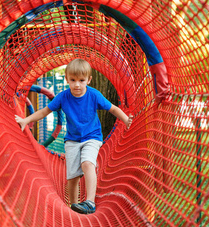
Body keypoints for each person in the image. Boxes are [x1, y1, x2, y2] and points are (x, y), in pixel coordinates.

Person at [15, 58, 132, 214]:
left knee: (87, 164)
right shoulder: (63, 97)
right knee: (73, 176)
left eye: (81, 80)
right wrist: (25, 120)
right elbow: (44, 111)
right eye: (73, 80)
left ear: (89, 80)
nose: (77, 84)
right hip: (72, 140)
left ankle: (90, 202)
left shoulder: (94, 95)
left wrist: (126, 120)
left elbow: (113, 109)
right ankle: (74, 206)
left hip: (92, 137)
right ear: (67, 79)